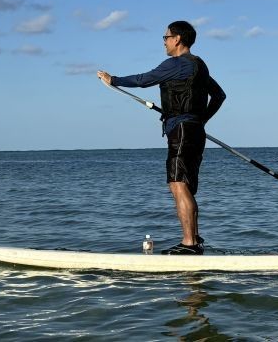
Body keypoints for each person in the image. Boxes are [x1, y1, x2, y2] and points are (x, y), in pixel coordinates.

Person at [97, 20, 226, 255]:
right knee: (184, 185)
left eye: (166, 37)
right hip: (194, 131)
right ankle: (194, 240)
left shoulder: (176, 64)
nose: (164, 42)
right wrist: (202, 119)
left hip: (182, 131)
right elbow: (219, 95)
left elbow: (144, 79)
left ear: (177, 39)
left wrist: (113, 80)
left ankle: (189, 244)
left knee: (178, 184)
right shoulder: (200, 66)